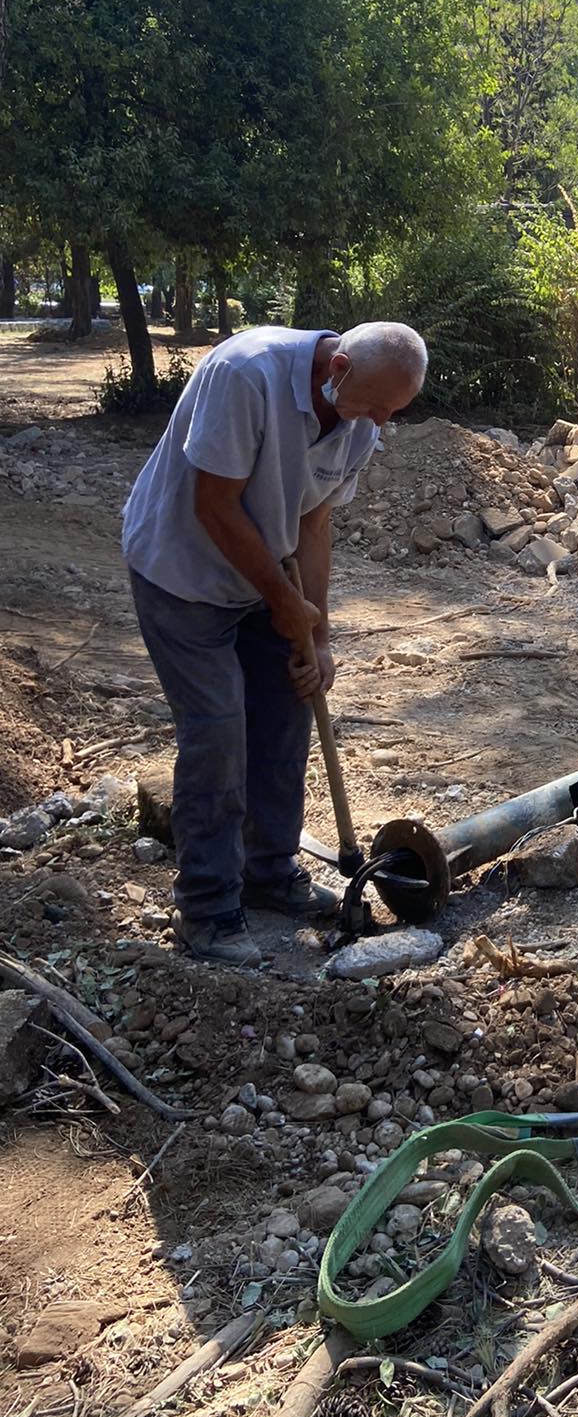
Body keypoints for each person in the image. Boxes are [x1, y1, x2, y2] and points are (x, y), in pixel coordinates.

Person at [122, 321, 428, 966]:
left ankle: (269, 870)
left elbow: (312, 521)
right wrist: (286, 603)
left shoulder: (361, 418)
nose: (381, 423)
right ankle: (206, 909)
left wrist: (315, 635)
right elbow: (215, 506)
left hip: (267, 575)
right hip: (184, 574)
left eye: (393, 412)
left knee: (290, 705)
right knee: (217, 731)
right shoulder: (246, 374)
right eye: (376, 406)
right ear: (336, 367)